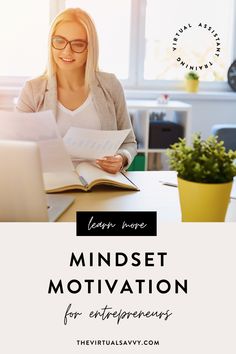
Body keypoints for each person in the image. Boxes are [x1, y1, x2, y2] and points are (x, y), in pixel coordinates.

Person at [16, 7, 137, 174]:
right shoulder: (32, 89)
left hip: (100, 185)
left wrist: (121, 158)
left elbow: (129, 143)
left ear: (90, 48)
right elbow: (17, 147)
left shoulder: (110, 85)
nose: (67, 51)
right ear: (51, 43)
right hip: (51, 187)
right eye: (59, 41)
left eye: (78, 44)